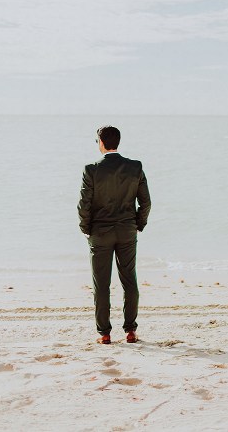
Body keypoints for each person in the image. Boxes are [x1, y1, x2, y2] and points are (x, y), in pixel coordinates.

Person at [78, 126, 151, 344]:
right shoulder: (135, 167)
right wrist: (138, 224)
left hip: (100, 233)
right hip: (127, 230)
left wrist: (85, 228)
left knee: (101, 283)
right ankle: (130, 331)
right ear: (118, 142)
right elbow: (145, 202)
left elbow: (84, 205)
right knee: (129, 279)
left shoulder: (91, 169)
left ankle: (105, 333)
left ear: (100, 142)